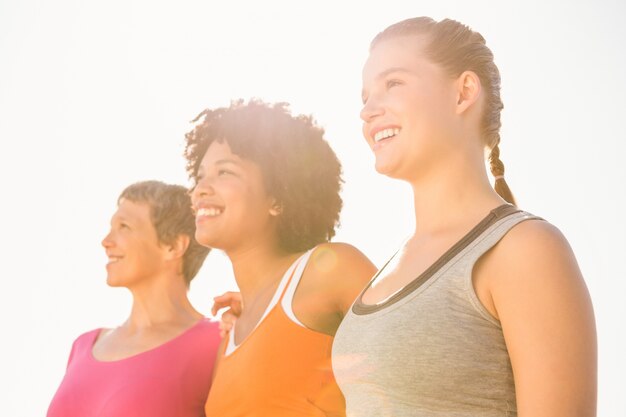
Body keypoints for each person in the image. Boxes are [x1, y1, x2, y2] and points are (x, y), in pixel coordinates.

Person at [331, 17, 597, 417]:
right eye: (365, 96)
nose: (367, 111)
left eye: (393, 84)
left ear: (463, 93)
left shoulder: (525, 249)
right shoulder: (388, 269)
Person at [185, 99, 377, 416]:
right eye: (200, 175)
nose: (200, 189)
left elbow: (423, 372)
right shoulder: (230, 335)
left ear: (277, 197)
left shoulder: (331, 270)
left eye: (224, 172)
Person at [47, 180, 221, 417]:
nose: (106, 241)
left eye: (124, 227)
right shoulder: (83, 346)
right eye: (111, 227)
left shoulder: (216, 341)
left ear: (173, 246)